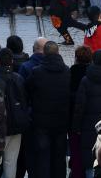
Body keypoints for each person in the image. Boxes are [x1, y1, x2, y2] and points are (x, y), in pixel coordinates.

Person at [25, 41, 71, 178]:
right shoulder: (67, 71)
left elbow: (27, 90)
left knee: (43, 156)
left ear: (44, 53)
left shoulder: (37, 72)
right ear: (58, 52)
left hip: (41, 122)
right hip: (61, 121)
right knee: (59, 156)